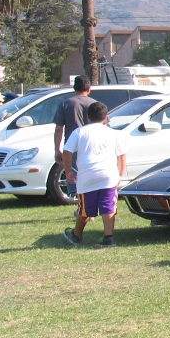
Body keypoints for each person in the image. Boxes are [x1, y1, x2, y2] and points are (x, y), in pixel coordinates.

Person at [62, 101, 127, 247]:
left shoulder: (79, 132)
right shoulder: (114, 133)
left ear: (87, 117)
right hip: (109, 174)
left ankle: (76, 235)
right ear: (106, 118)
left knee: (85, 208)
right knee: (108, 205)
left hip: (87, 174)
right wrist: (119, 175)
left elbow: (67, 152)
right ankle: (108, 237)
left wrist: (68, 171)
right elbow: (122, 155)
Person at [53, 75, 96, 194]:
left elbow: (59, 129)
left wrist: (57, 149)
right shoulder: (95, 104)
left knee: (75, 177)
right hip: (92, 145)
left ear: (74, 88)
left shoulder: (65, 104)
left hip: (73, 146)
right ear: (88, 88)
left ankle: (78, 199)